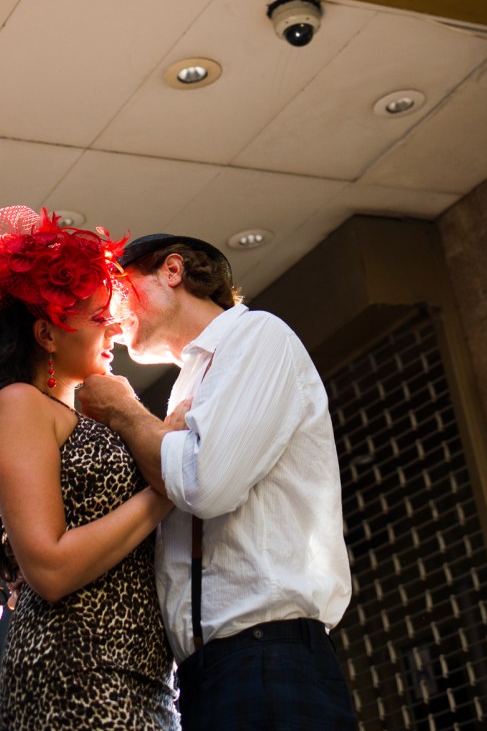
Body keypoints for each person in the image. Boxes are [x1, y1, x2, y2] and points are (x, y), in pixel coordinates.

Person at [78, 233, 358, 731]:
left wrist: (123, 412)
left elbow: (204, 485)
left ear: (172, 271)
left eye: (117, 290)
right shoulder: (190, 382)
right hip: (208, 675)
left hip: (270, 656)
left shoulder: (256, 336)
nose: (111, 320)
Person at [0, 207, 185, 731]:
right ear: (48, 335)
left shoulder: (81, 413)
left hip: (140, 672)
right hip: (75, 671)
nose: (115, 328)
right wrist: (166, 489)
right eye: (99, 318)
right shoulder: (19, 405)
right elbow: (48, 569)